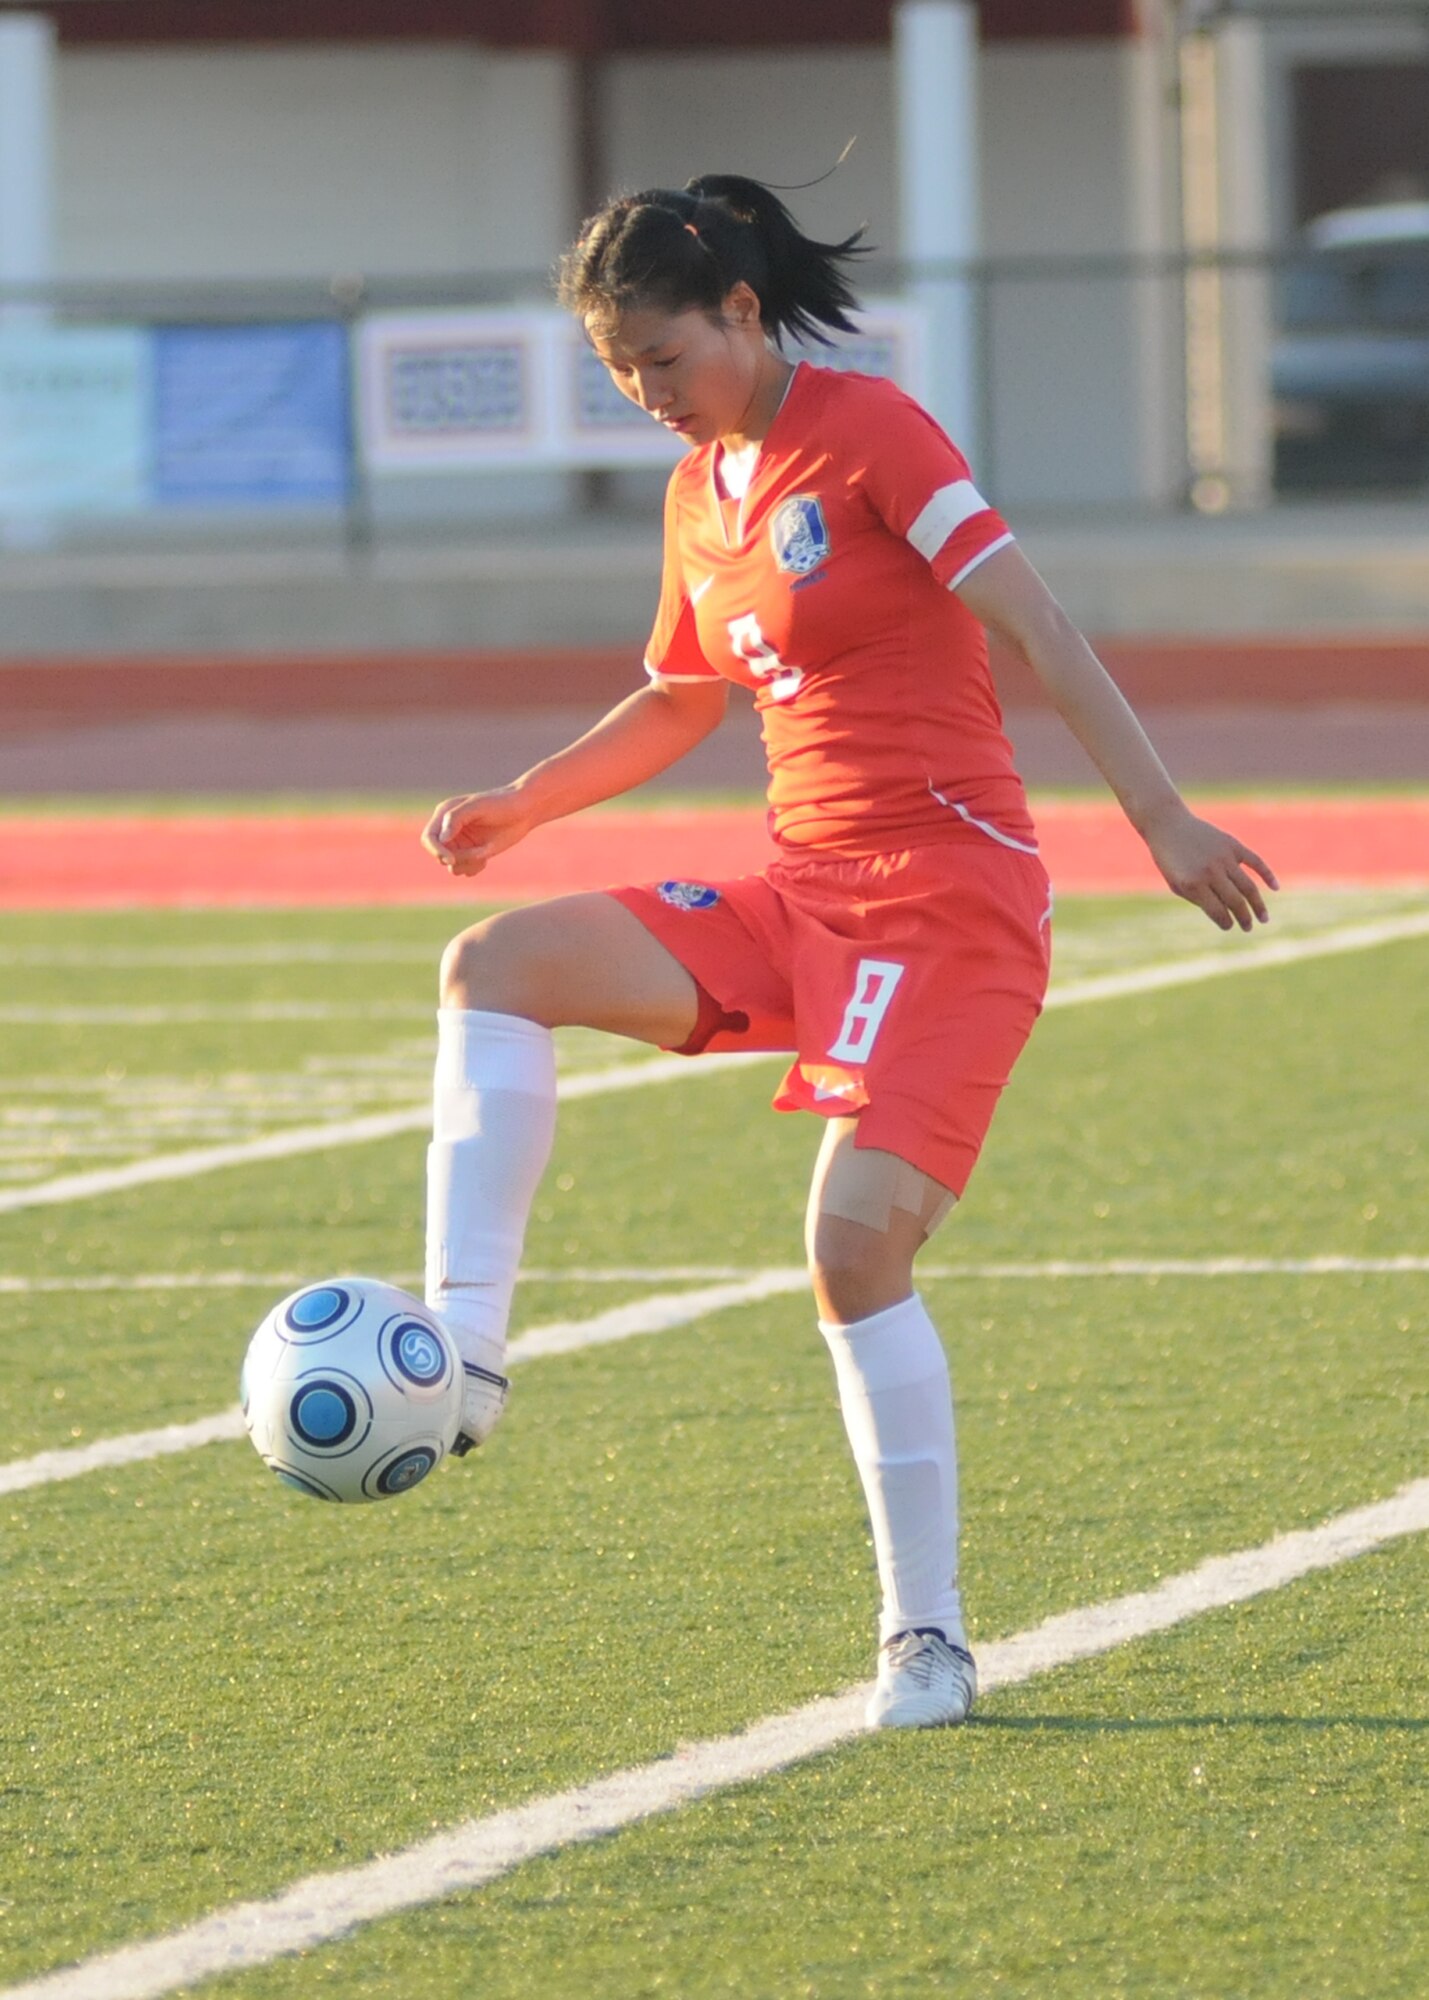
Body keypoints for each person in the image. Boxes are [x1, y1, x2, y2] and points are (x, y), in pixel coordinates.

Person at [418, 175, 1277, 1730]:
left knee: (850, 1246)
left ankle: (924, 1638)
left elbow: (1037, 624)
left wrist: (1159, 819)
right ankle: (463, 1354)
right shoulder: (703, 492)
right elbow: (681, 700)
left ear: (740, 311)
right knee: (496, 964)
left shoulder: (873, 432)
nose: (645, 395)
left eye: (660, 359)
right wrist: (523, 804)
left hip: (950, 902)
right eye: (618, 371)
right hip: (800, 889)